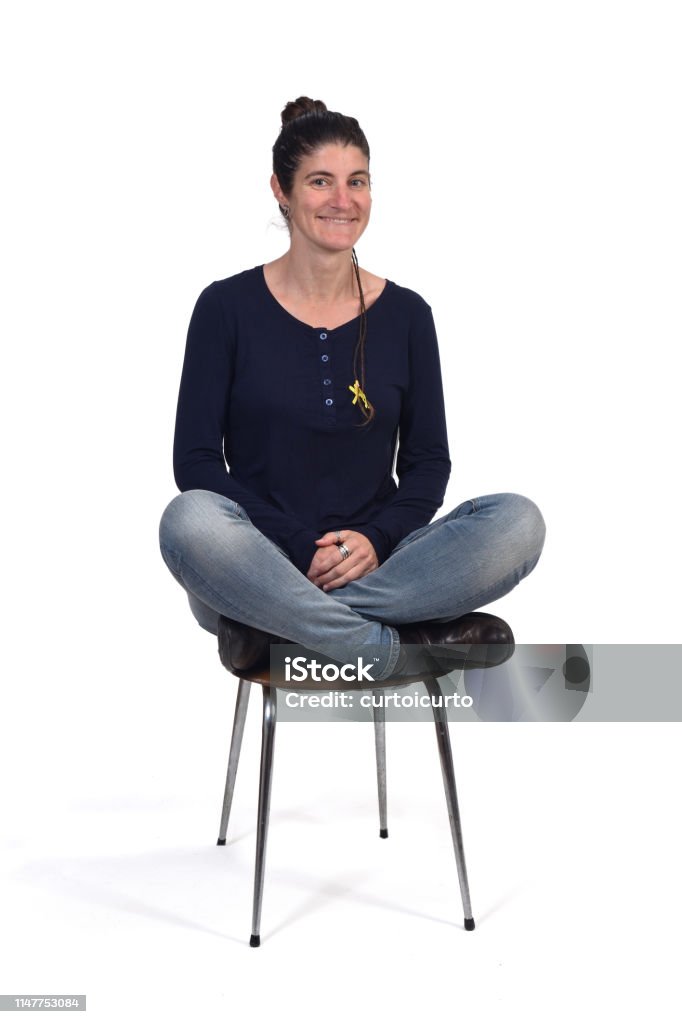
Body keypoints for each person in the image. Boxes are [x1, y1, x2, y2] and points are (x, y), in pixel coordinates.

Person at [158, 96, 546, 682]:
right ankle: (389, 649)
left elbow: (426, 465)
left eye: (357, 181)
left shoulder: (408, 315)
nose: (344, 200)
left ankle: (274, 631)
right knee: (189, 521)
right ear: (281, 191)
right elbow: (196, 462)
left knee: (519, 521)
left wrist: (373, 539)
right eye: (321, 181)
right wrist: (297, 548)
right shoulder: (224, 308)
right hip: (257, 561)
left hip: (384, 563)